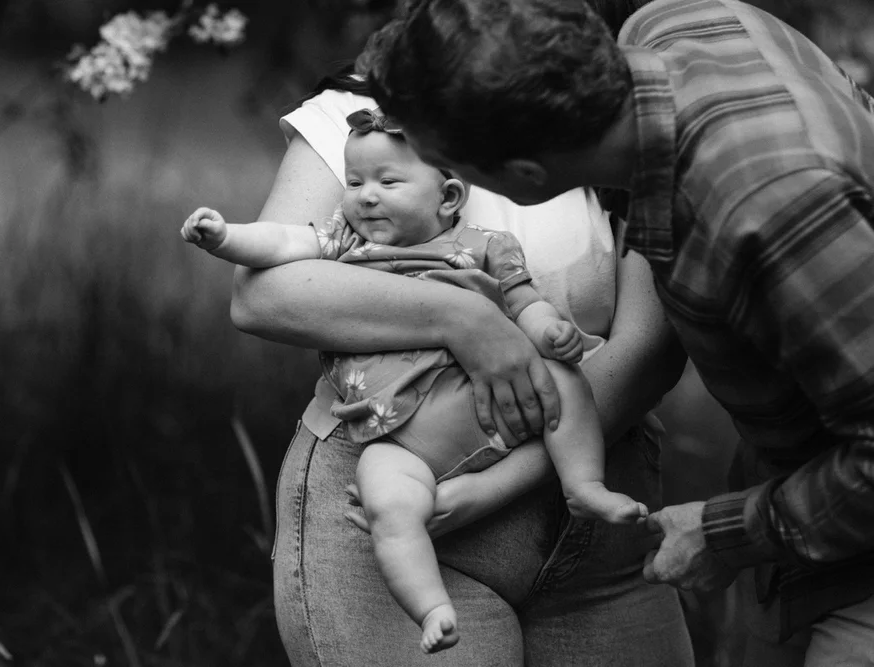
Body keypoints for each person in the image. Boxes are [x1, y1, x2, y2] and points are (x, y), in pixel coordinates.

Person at [363, 0, 874, 664]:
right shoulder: (671, 24)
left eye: (449, 168)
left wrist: (725, 533)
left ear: (525, 177)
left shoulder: (767, 209)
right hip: (807, 509)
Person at [228, 58, 691, 664]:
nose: (367, 195)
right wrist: (464, 318)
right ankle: (430, 605)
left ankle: (585, 487)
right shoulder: (366, 120)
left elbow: (647, 351)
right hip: (394, 464)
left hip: (600, 516)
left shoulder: (628, 125)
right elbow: (264, 292)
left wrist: (493, 487)